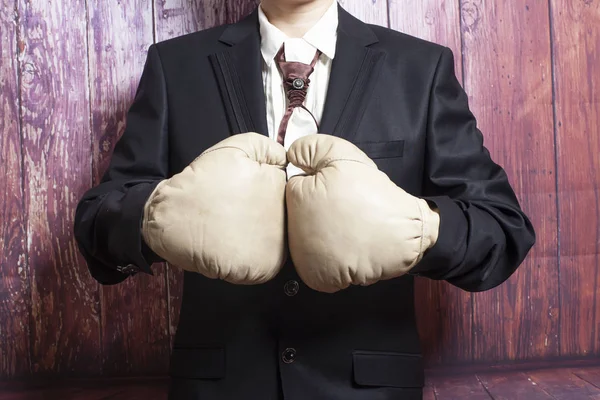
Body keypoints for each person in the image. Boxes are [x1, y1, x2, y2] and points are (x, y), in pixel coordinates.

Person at [74, 0, 536, 399]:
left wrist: (422, 229)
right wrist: (155, 219)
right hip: (218, 389)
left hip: (370, 391)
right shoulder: (175, 67)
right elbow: (97, 219)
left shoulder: (421, 68)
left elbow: (502, 227)